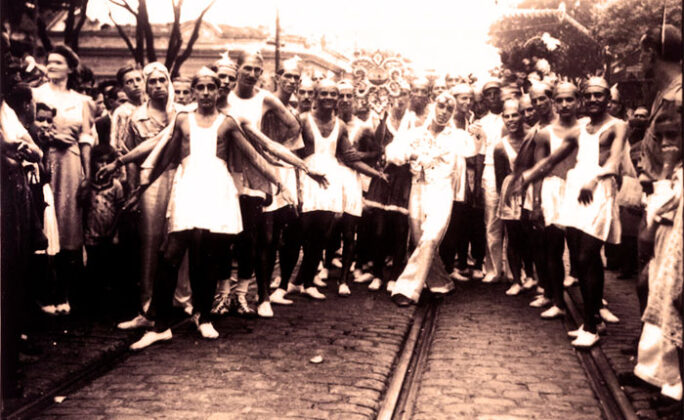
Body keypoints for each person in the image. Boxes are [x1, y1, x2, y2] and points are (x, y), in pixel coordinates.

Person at [128, 67, 294, 350]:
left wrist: (280, 181)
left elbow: (254, 156)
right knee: (171, 253)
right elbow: (166, 159)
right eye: (201, 87)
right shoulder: (182, 120)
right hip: (188, 189)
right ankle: (160, 325)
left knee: (209, 256)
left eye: (211, 88)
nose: (206, 93)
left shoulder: (228, 122)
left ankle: (203, 316)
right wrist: (140, 189)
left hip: (217, 191)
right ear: (193, 91)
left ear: (218, 92)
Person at [516, 77, 627, 348]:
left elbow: (614, 159)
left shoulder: (618, 125)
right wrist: (528, 176)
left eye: (598, 95)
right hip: (576, 192)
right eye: (588, 96)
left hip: (598, 191)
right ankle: (592, 320)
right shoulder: (581, 131)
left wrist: (597, 178)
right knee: (581, 258)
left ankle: (591, 326)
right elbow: (552, 159)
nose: (592, 100)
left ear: (608, 99)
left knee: (588, 254)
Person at [289, 79, 385, 299]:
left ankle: (307, 282)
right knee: (301, 232)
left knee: (322, 233)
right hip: (306, 178)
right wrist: (297, 175)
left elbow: (349, 156)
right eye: (324, 94)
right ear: (315, 96)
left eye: (334, 94)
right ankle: (289, 282)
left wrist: (376, 174)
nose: (330, 98)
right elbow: (291, 150)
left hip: (328, 182)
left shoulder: (340, 125)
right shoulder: (303, 120)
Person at [631, 23, 682, 403]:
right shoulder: (664, 93)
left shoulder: (678, 95)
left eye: (643, 53)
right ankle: (651, 368)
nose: (640, 60)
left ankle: (671, 377)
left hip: (672, 192)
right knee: (651, 281)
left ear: (652, 52)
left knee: (664, 282)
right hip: (657, 189)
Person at [32, 44, 95, 316]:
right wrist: (46, 136)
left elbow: (86, 138)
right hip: (43, 161)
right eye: (49, 61)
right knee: (43, 222)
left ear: (71, 68)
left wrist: (87, 173)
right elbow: (28, 125)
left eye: (58, 62)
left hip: (70, 165)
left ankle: (64, 294)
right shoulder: (35, 95)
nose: (52, 66)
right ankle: (42, 293)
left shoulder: (81, 100)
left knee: (69, 227)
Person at [388, 92, 462, 306]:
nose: (444, 112)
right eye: (441, 106)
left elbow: (472, 148)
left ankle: (406, 288)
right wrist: (411, 155)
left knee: (430, 237)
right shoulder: (415, 133)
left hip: (441, 190)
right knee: (420, 238)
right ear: (433, 106)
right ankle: (441, 282)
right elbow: (392, 152)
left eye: (449, 109)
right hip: (418, 188)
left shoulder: (456, 137)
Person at [439, 83, 483, 282]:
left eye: (469, 98)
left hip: (463, 174)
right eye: (463, 98)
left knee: (458, 220)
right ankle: (443, 266)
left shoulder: (471, 120)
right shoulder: (445, 119)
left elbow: (475, 149)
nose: (467, 102)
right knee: (444, 220)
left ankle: (451, 265)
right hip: (446, 172)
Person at [82, 144, 125, 319]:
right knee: (93, 269)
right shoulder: (88, 185)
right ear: (93, 163)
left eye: (108, 162)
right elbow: (83, 208)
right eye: (100, 161)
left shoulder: (115, 185)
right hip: (91, 233)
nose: (103, 165)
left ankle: (110, 309)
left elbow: (120, 209)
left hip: (110, 233)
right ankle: (93, 306)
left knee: (110, 267)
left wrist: (112, 230)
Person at [494, 98, 529, 296]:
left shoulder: (534, 137)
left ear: (522, 114)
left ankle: (532, 276)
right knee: (513, 236)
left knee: (533, 237)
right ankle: (516, 279)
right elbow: (501, 180)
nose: (511, 120)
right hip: (511, 195)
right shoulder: (500, 147)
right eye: (506, 116)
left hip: (531, 190)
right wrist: (507, 199)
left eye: (515, 114)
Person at [478, 78, 506, 283]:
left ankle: (516, 270)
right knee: (492, 222)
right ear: (485, 99)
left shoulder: (512, 117)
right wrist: (479, 182)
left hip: (511, 171)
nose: (494, 97)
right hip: (490, 171)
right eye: (489, 94)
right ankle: (493, 269)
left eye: (497, 93)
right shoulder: (481, 123)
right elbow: (479, 154)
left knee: (514, 223)